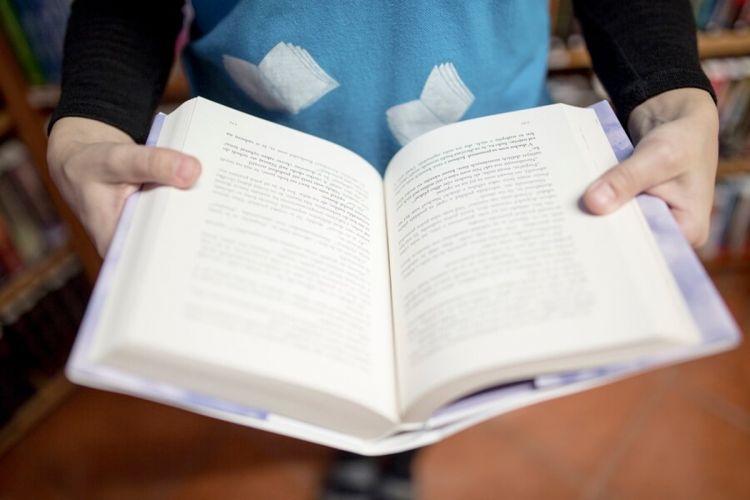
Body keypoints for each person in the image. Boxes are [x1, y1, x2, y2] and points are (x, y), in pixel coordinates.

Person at [46, 1, 719, 498]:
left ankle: (402, 451)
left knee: (452, 355)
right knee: (305, 347)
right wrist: (94, 114)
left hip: (484, 159)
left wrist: (668, 93)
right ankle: (354, 441)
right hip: (269, 172)